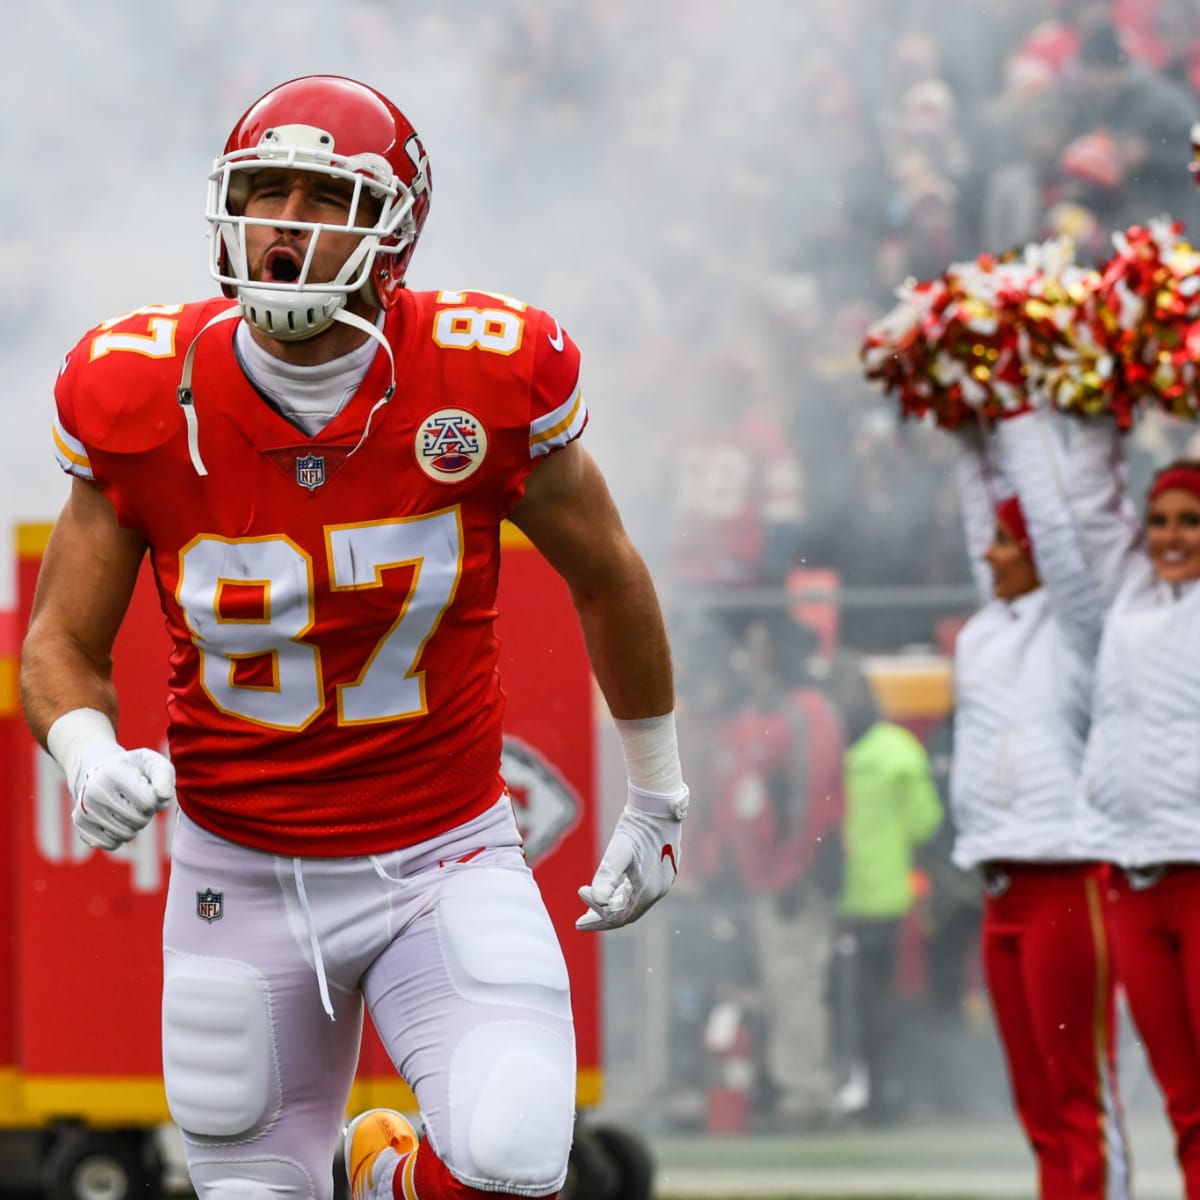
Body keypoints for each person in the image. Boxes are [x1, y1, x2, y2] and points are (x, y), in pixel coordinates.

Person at [18, 76, 690, 1200]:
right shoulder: (142, 391)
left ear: (393, 229)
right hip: (241, 865)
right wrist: (84, 753)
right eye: (263, 191)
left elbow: (609, 576)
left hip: (444, 852)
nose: (284, 221)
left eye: (321, 194)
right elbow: (59, 646)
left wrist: (660, 794)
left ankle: (387, 1176)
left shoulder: (482, 369)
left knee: (517, 1154)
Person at [946, 410, 1129, 1200]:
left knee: (1078, 1094)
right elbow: (984, 513)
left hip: (1066, 877)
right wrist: (964, 425)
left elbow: (1052, 528)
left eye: (1005, 543)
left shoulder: (1080, 629)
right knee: (1037, 1104)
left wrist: (1018, 412)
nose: (989, 552)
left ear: (1041, 560)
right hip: (999, 884)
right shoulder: (985, 633)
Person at [1024, 411, 1200, 1200]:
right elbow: (1093, 501)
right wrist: (1103, 397)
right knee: (1183, 1105)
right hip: (1130, 878)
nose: (1169, 536)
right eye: (1159, 520)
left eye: (1190, 521)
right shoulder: (1128, 595)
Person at [692, 615, 844, 1128]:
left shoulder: (806, 714)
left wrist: (794, 874)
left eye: (760, 648)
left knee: (796, 984)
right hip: (756, 879)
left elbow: (814, 802)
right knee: (778, 987)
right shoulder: (758, 715)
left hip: (789, 882)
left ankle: (808, 1094)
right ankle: (791, 1088)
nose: (751, 660)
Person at [826, 653, 943, 1125]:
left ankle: (860, 1092)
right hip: (887, 899)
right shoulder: (899, 751)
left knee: (842, 1006)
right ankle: (887, 1094)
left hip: (836, 898)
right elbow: (926, 823)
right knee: (885, 1006)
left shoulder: (829, 749)